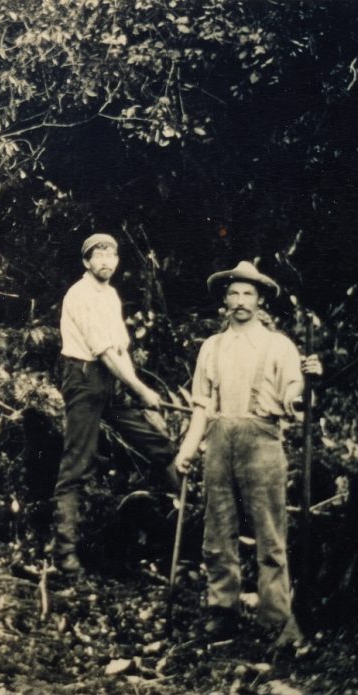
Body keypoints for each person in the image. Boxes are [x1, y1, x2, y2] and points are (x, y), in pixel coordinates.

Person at [172, 261, 322, 645]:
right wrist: (188, 450)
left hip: (263, 440)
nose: (240, 301)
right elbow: (202, 407)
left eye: (248, 294)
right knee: (217, 532)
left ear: (260, 300)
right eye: (234, 293)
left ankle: (276, 618)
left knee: (270, 533)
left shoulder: (280, 346)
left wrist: (308, 384)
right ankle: (222, 610)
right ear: (225, 299)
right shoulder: (212, 347)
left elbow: (295, 397)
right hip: (220, 441)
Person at [51, 233, 178, 576]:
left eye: (111, 255)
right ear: (86, 262)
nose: (106, 261)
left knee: (158, 444)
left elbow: (120, 349)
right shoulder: (80, 295)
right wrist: (139, 389)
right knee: (77, 462)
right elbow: (104, 351)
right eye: (98, 255)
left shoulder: (110, 295)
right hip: (83, 377)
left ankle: (187, 529)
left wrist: (142, 395)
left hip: (111, 380)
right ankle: (64, 554)